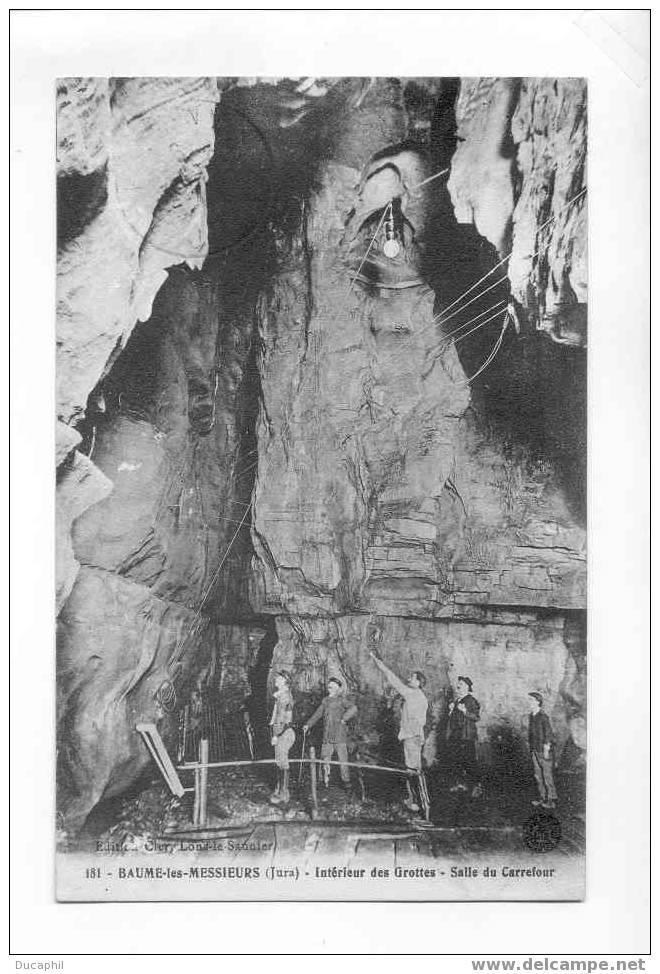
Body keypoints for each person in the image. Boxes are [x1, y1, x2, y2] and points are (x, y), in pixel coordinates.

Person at [369, 651, 429, 815]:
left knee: (412, 771)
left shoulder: (413, 694)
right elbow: (421, 721)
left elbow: (393, 679)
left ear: (418, 682)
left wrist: (378, 662)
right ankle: (416, 801)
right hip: (414, 737)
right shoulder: (421, 698)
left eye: (412, 677)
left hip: (411, 738)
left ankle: (418, 803)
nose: (409, 679)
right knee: (414, 770)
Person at [303, 677, 357, 789]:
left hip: (339, 736)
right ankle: (324, 781)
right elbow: (318, 714)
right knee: (325, 759)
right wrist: (308, 725)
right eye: (329, 685)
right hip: (327, 736)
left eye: (333, 685)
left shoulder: (342, 700)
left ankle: (346, 782)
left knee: (343, 761)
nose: (330, 687)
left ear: (338, 688)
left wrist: (344, 718)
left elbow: (353, 708)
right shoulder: (325, 701)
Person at [446, 676, 481, 795]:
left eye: (461, 684)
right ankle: (460, 784)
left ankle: (476, 787)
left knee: (469, 761)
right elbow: (454, 720)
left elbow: (476, 717)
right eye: (458, 684)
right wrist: (451, 711)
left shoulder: (471, 700)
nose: (458, 686)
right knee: (457, 761)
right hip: (456, 736)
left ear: (467, 687)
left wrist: (465, 711)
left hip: (466, 737)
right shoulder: (457, 700)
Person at [269, 671, 295, 805]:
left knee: (282, 763)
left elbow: (287, 721)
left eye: (279, 678)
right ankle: (280, 790)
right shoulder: (280, 697)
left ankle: (284, 794)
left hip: (284, 734)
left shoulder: (285, 698)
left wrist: (276, 735)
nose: (276, 679)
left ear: (285, 681)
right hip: (280, 734)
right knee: (279, 763)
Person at [528, 692, 558, 809]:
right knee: (538, 775)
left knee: (547, 775)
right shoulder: (532, 715)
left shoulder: (543, 716)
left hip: (543, 750)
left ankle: (551, 800)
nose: (529, 702)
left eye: (531, 700)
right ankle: (542, 797)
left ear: (537, 702)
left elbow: (548, 734)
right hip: (534, 749)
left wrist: (546, 749)